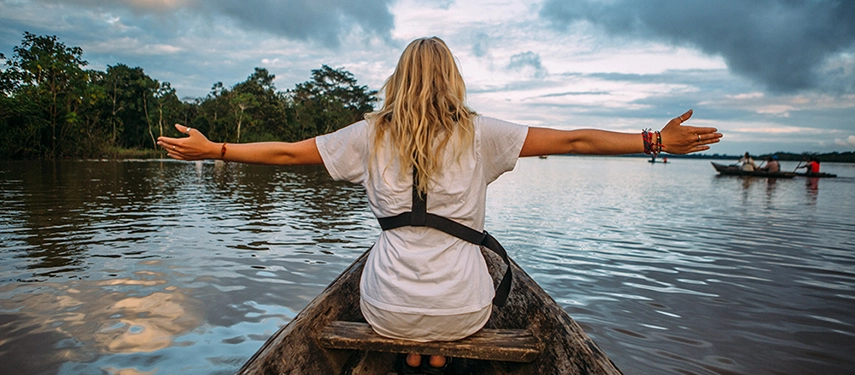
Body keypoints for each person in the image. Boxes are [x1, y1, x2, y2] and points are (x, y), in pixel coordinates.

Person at [157, 37, 722, 371]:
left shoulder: (369, 134)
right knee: (479, 275)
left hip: (384, 306)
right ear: (454, 81)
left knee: (396, 282)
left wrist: (217, 149)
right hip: (464, 311)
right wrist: (652, 141)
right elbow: (576, 140)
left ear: (397, 81)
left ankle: (416, 355)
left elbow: (285, 154)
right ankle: (434, 355)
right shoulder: (481, 133)